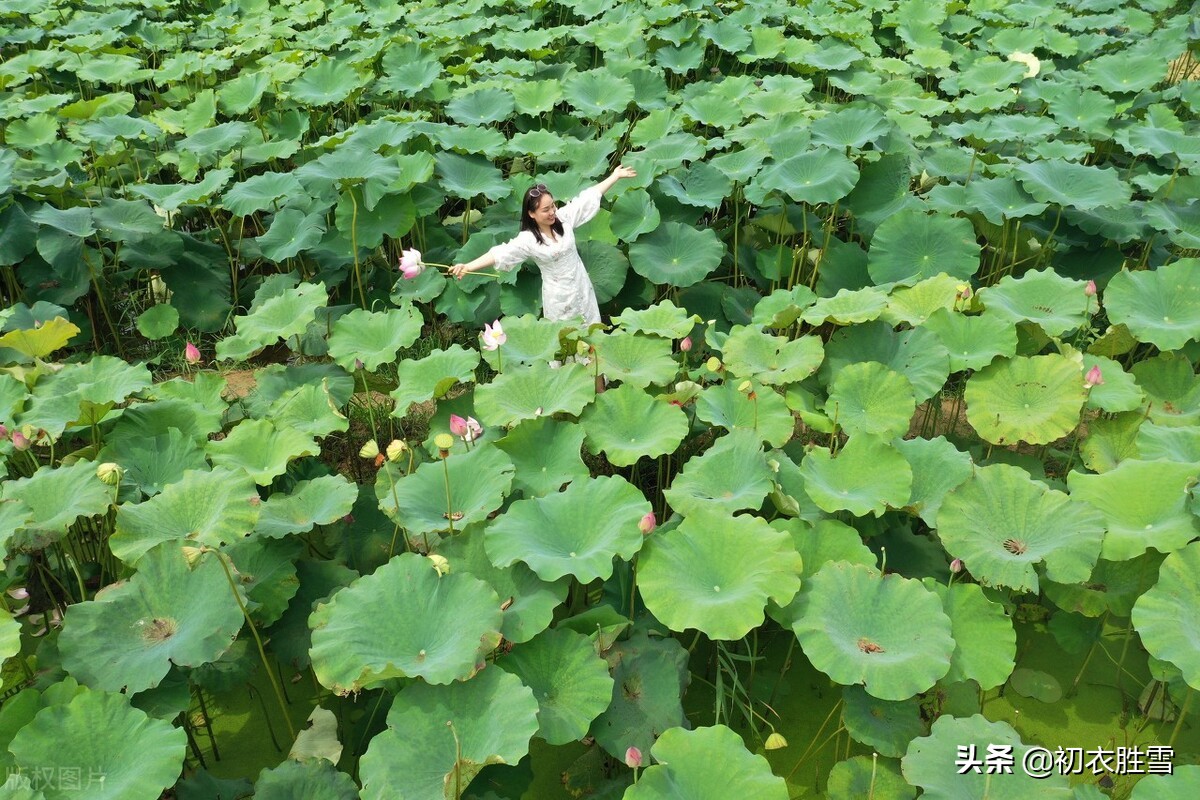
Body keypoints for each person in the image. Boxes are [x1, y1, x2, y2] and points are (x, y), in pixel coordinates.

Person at [448, 166, 637, 326]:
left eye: (552, 206)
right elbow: (500, 253)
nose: (552, 212)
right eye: (545, 210)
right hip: (558, 297)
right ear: (531, 213)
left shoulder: (564, 220)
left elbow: (587, 198)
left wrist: (614, 176)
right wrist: (468, 266)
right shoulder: (528, 239)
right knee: (566, 338)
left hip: (581, 286)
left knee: (590, 330)